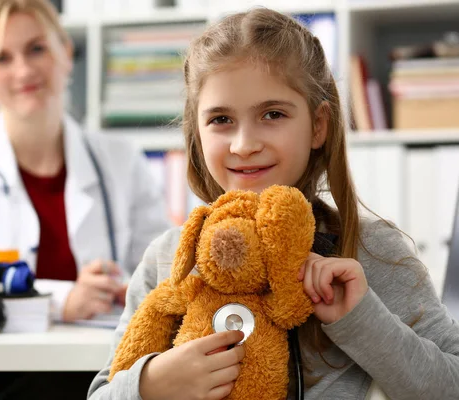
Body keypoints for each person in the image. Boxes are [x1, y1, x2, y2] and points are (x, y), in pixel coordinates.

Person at [87, 8, 459, 400]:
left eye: (272, 114)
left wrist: (362, 321)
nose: (244, 144)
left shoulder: (370, 252)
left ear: (319, 125)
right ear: (196, 131)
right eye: (220, 120)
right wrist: (150, 386)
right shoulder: (167, 259)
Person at [0, 0, 171, 398]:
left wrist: (126, 288)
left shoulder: (121, 160)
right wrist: (62, 300)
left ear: (65, 51)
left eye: (36, 48)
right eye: (1, 58)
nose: (24, 71)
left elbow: (162, 273)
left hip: (104, 372)